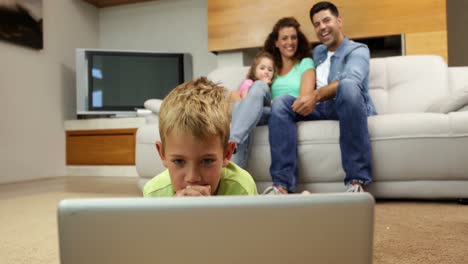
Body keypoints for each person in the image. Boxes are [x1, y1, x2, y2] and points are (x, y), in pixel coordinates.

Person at [265, 1, 377, 195]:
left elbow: (352, 80)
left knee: (348, 85)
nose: (322, 27)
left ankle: (357, 180)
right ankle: (281, 185)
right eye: (317, 24)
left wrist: (314, 96)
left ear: (339, 21)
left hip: (348, 105)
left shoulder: (358, 50)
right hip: (322, 108)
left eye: (327, 20)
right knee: (282, 102)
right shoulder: (317, 53)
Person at [143, 77, 258, 197]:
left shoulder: (241, 189)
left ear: (227, 154)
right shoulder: (154, 194)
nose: (192, 178)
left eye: (207, 161)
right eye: (179, 161)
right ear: (162, 154)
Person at [230, 17, 315, 172]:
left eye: (293, 37)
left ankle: (233, 141)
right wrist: (241, 104)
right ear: (276, 42)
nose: (290, 42)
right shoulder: (269, 68)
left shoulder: (305, 63)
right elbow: (239, 93)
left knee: (249, 103)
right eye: (284, 38)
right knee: (258, 85)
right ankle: (234, 173)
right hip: (264, 110)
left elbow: (305, 99)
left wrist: (243, 107)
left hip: (289, 110)